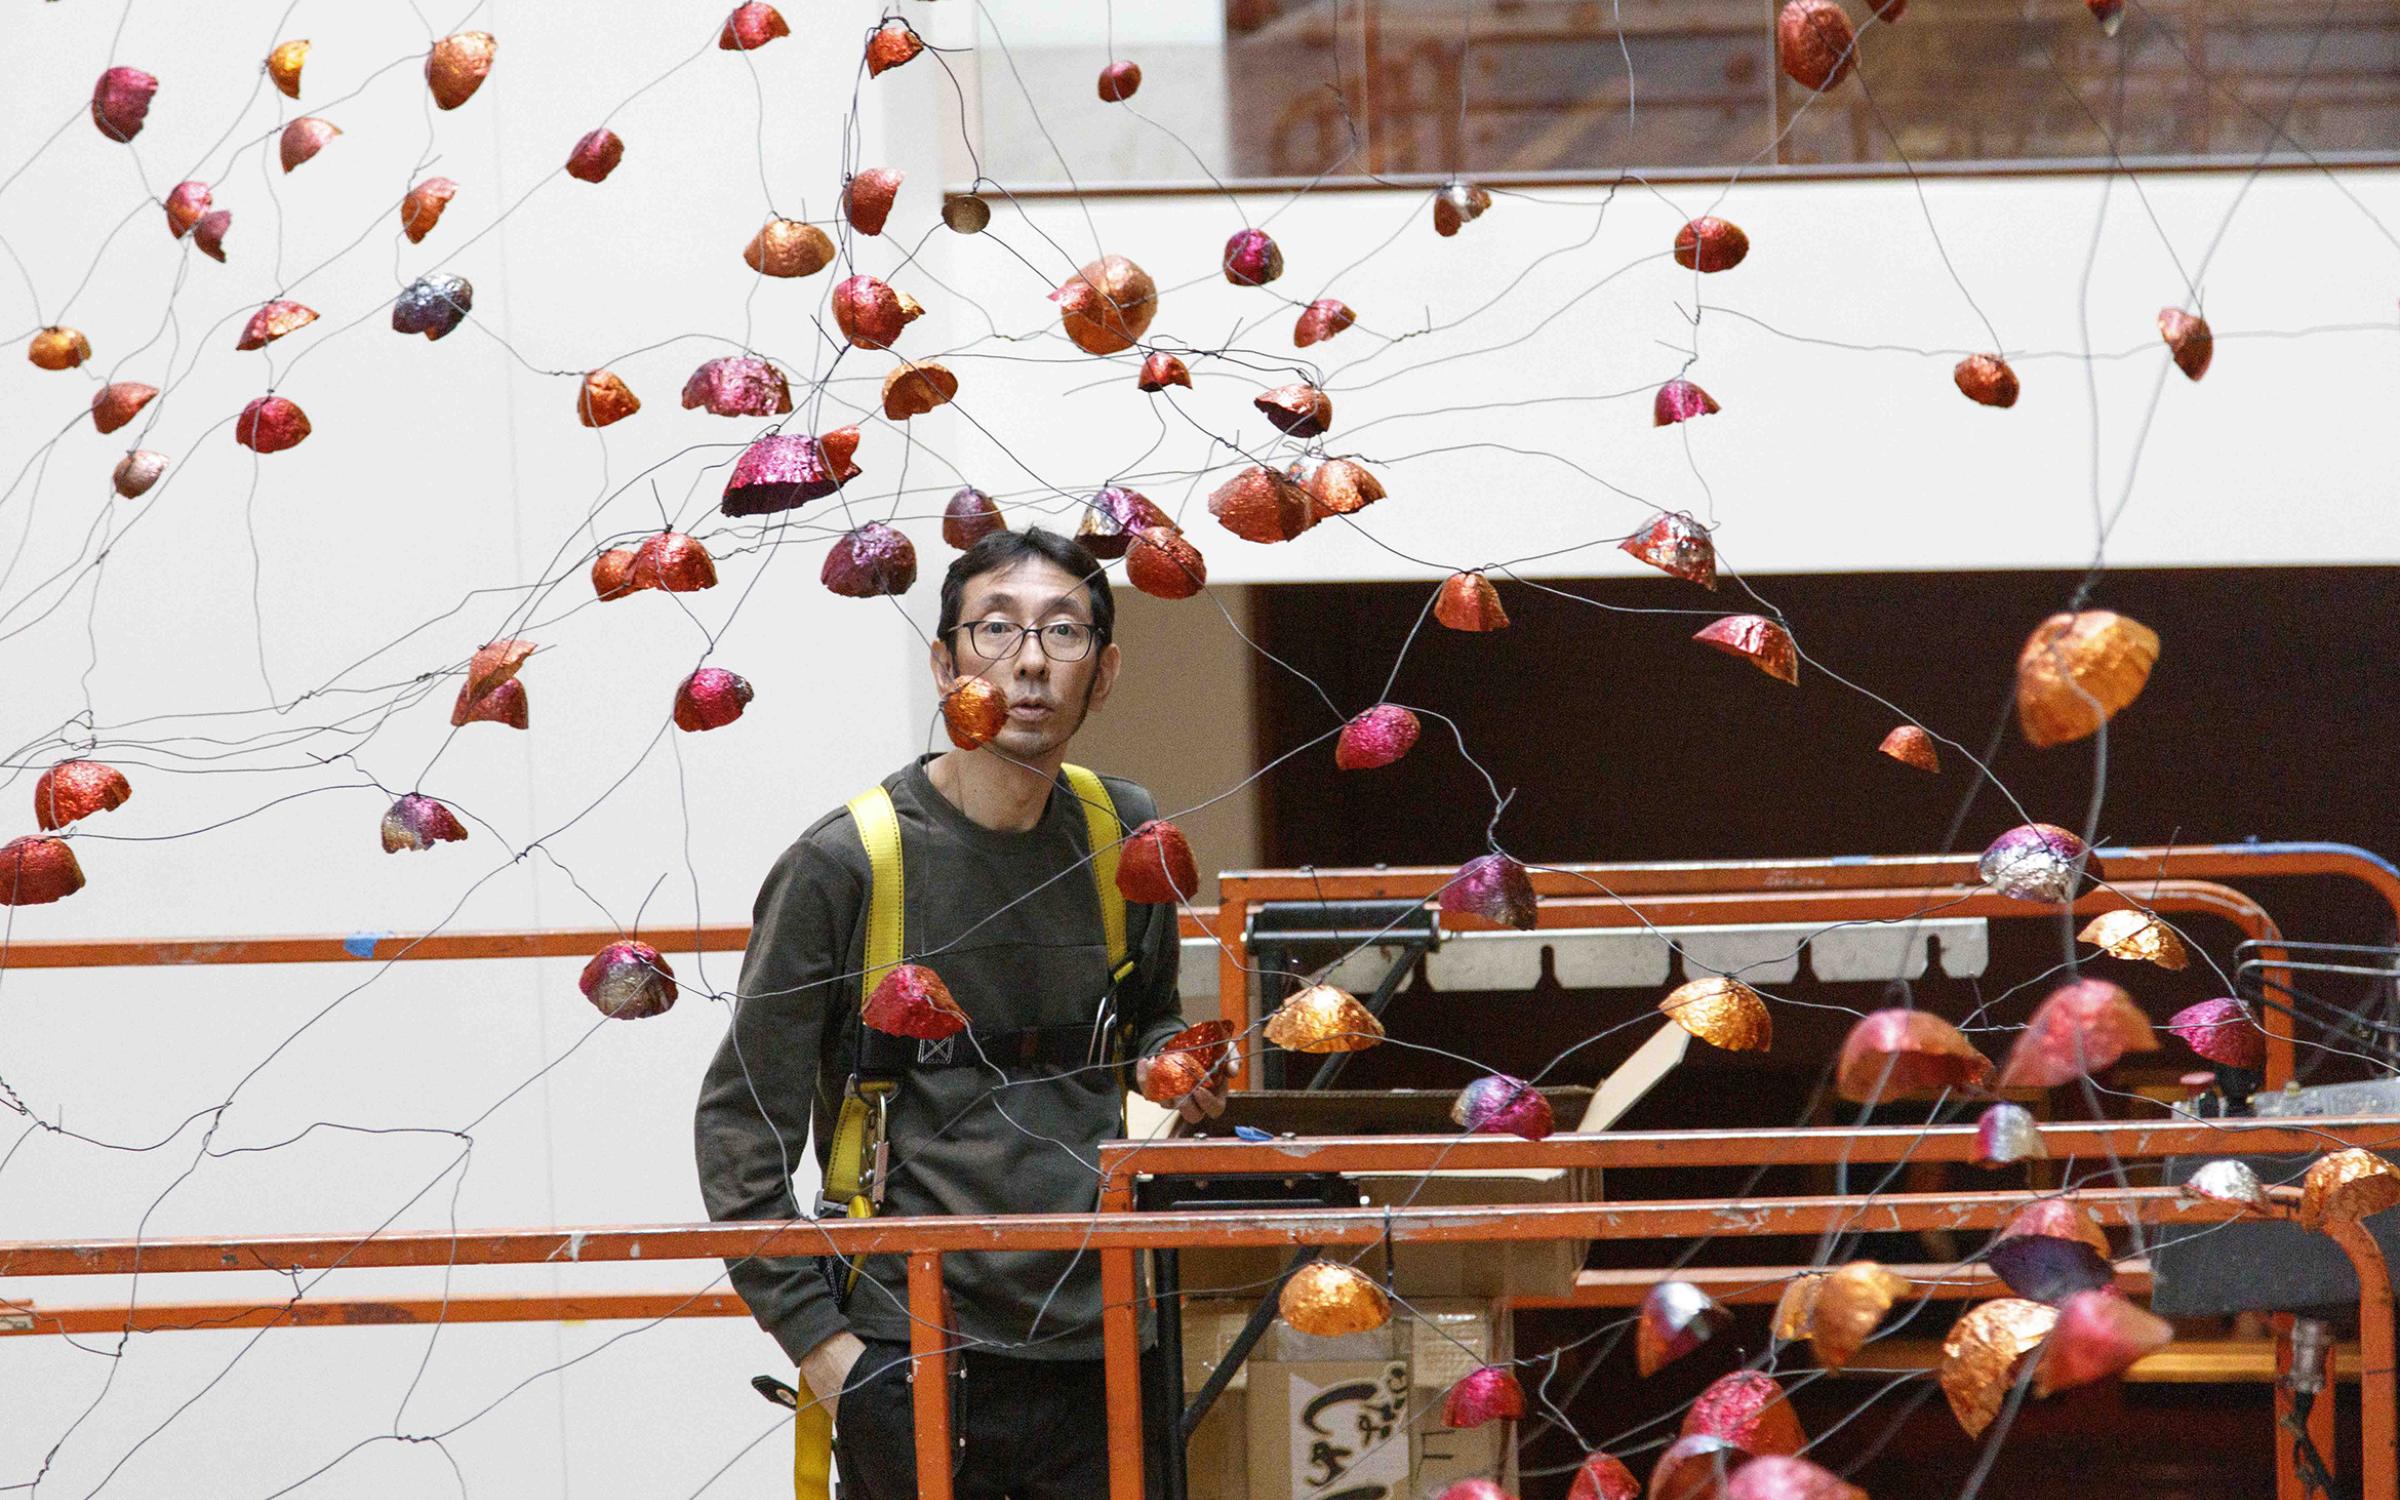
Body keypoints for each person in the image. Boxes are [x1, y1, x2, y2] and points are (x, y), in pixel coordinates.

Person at [694, 526, 1228, 1500]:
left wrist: (1176, 1067)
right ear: (945, 662)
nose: (1029, 660)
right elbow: (741, 1129)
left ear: (1103, 673)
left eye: (1063, 632)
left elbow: (1146, 1016)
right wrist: (827, 1353)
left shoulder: (1124, 835)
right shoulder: (848, 863)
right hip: (910, 1348)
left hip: (1103, 1338)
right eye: (996, 629)